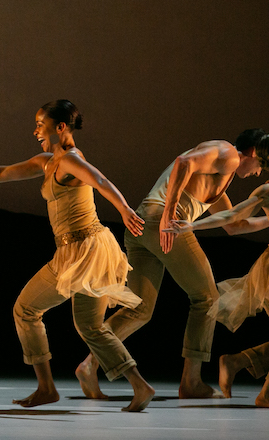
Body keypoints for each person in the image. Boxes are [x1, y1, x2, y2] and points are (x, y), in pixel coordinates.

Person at [0, 100, 154, 411]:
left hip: (83, 251)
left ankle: (47, 387)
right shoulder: (48, 161)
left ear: (61, 127)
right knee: (90, 326)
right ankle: (140, 387)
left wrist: (125, 210)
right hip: (82, 249)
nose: (35, 130)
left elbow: (100, 181)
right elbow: (3, 173)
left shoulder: (71, 160)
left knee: (25, 310)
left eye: (41, 125)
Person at [76, 128, 265, 399]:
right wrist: (168, 214)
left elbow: (234, 226)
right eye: (262, 164)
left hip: (141, 226)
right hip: (162, 223)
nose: (259, 173)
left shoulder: (222, 177)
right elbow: (183, 163)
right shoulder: (228, 154)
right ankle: (191, 382)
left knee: (141, 309)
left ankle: (89, 364)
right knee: (208, 298)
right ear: (253, 152)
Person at [163, 137, 269, 406]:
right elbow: (231, 219)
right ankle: (256, 383)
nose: (257, 170)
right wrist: (192, 226)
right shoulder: (266, 190)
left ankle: (238, 364)